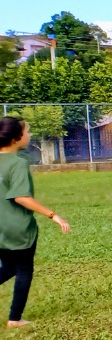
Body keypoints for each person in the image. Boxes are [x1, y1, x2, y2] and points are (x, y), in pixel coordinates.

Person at [0, 117, 70, 328]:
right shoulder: (18, 163)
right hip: (18, 228)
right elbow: (21, 197)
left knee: (9, 267)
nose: (29, 135)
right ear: (15, 138)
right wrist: (53, 215)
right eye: (27, 132)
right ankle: (15, 319)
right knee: (23, 270)